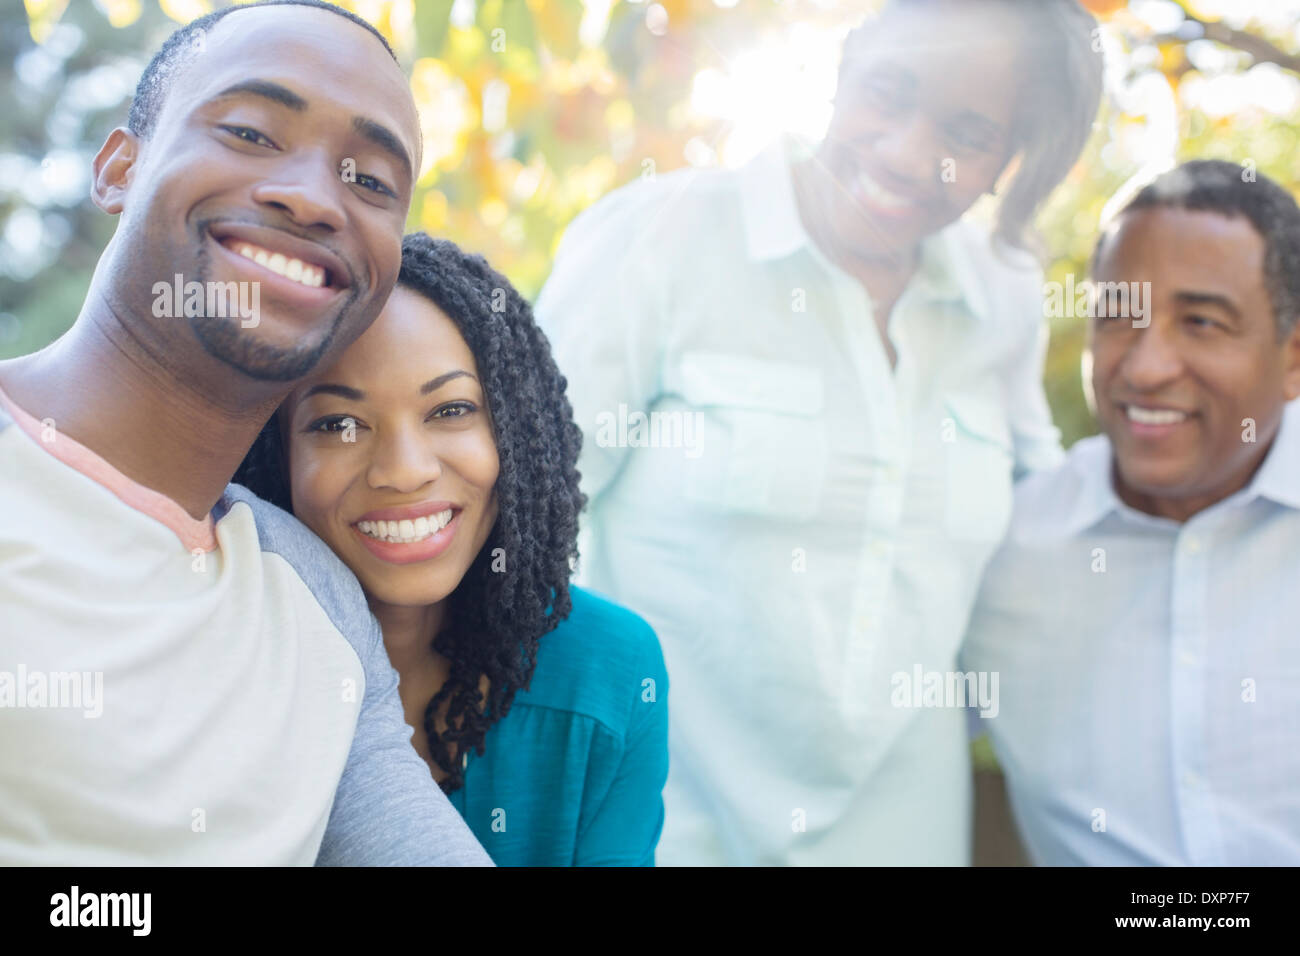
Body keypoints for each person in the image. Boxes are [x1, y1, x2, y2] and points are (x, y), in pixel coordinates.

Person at [534, 0, 1105, 865]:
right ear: (842, 69)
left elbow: (1041, 517)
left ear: (1008, 162)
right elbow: (528, 526)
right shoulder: (659, 238)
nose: (910, 153)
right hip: (659, 817)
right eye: (889, 92)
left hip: (902, 829)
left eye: (968, 130)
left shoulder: (1005, 301)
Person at [0, 1, 490, 865]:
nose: (311, 199)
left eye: (371, 181)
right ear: (119, 168)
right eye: (252, 133)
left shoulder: (315, 606)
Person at [233, 233, 670, 866]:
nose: (404, 471)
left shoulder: (609, 672)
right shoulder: (219, 658)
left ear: (516, 432)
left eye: (451, 409)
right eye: (338, 424)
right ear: (275, 454)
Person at [961, 160, 1300, 865]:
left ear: (1293, 356)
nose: (1145, 368)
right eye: (1117, 318)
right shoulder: (1001, 547)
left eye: (1201, 322)